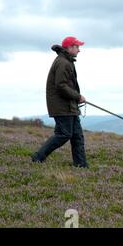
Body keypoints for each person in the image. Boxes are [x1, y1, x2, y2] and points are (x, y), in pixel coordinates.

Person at [31, 36, 88, 168]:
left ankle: (81, 166)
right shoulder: (63, 63)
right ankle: (38, 157)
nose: (79, 50)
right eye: (77, 47)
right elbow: (61, 86)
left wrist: (76, 98)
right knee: (64, 135)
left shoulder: (66, 61)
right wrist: (78, 96)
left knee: (77, 136)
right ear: (70, 47)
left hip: (69, 106)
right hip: (62, 107)